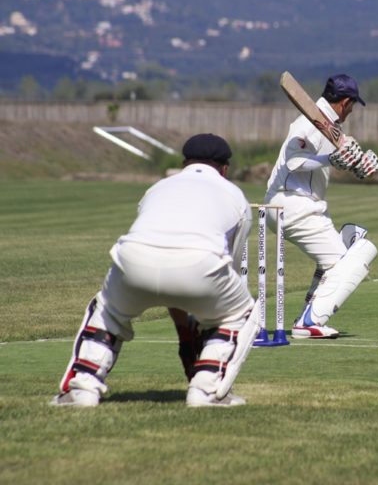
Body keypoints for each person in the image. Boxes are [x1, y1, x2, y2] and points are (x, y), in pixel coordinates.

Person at [51, 134, 259, 408]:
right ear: (224, 169)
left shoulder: (157, 187)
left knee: (108, 310)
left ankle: (83, 387)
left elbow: (161, 255)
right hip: (201, 266)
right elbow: (223, 269)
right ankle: (206, 388)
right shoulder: (235, 196)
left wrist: (183, 329)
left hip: (132, 261)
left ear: (184, 163)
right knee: (241, 312)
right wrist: (190, 332)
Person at [264, 74, 378, 339]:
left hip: (306, 205)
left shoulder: (332, 126)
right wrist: (331, 159)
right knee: (348, 261)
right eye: (352, 105)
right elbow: (294, 162)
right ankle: (308, 323)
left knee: (342, 251)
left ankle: (309, 313)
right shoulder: (307, 123)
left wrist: (359, 165)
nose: (352, 111)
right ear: (346, 102)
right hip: (290, 202)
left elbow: (337, 156)